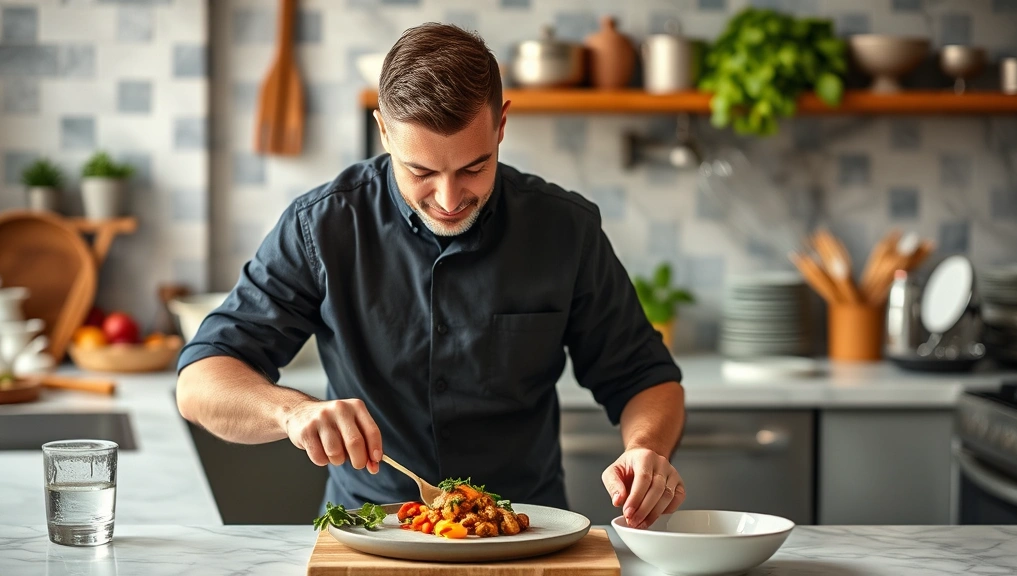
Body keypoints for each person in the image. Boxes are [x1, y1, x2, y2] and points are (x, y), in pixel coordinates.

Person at [176, 23, 686, 530]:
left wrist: (646, 449)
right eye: (420, 172)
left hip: (526, 531)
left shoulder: (565, 229)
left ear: (501, 124)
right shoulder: (322, 227)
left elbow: (645, 378)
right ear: (383, 131)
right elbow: (200, 382)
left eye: (474, 168)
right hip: (371, 532)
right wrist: (292, 413)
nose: (448, 199)